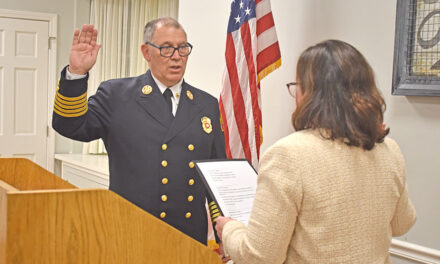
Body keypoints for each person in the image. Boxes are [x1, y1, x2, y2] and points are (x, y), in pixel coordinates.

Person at [215, 39, 417, 263]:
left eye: (297, 86)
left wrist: (229, 229)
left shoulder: (289, 155)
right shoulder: (389, 149)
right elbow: (402, 223)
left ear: (313, 94)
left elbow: (259, 256)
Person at [52, 17, 226, 245]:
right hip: (130, 232)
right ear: (146, 52)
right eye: (166, 48)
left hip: (188, 238)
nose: (176, 56)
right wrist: (75, 73)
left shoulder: (206, 104)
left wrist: (222, 228)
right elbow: (70, 125)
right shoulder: (117, 95)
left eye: (183, 48)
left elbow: (216, 175)